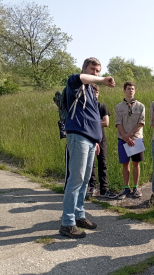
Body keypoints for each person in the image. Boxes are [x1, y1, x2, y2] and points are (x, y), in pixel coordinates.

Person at [60, 57, 115, 239]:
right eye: (92, 69)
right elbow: (80, 78)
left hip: (91, 141)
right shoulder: (75, 84)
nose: (95, 73)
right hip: (78, 137)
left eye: (98, 70)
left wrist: (97, 140)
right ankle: (67, 223)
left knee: (84, 181)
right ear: (84, 69)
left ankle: (79, 215)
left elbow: (92, 117)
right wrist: (102, 80)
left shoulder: (91, 92)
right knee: (75, 179)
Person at [115, 81, 145, 199]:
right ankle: (126, 188)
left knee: (136, 163)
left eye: (132, 88)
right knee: (125, 164)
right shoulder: (118, 107)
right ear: (124, 90)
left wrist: (130, 135)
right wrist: (125, 137)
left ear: (135, 90)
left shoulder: (140, 106)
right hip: (123, 139)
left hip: (136, 139)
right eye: (128, 88)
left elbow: (141, 122)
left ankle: (136, 187)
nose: (130, 90)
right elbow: (118, 123)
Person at [86, 84, 116, 199]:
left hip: (101, 138)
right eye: (93, 92)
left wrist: (92, 122)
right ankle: (92, 187)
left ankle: (104, 189)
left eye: (97, 92)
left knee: (102, 163)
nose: (95, 94)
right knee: (90, 164)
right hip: (88, 137)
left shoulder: (102, 106)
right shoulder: (86, 107)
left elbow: (106, 123)